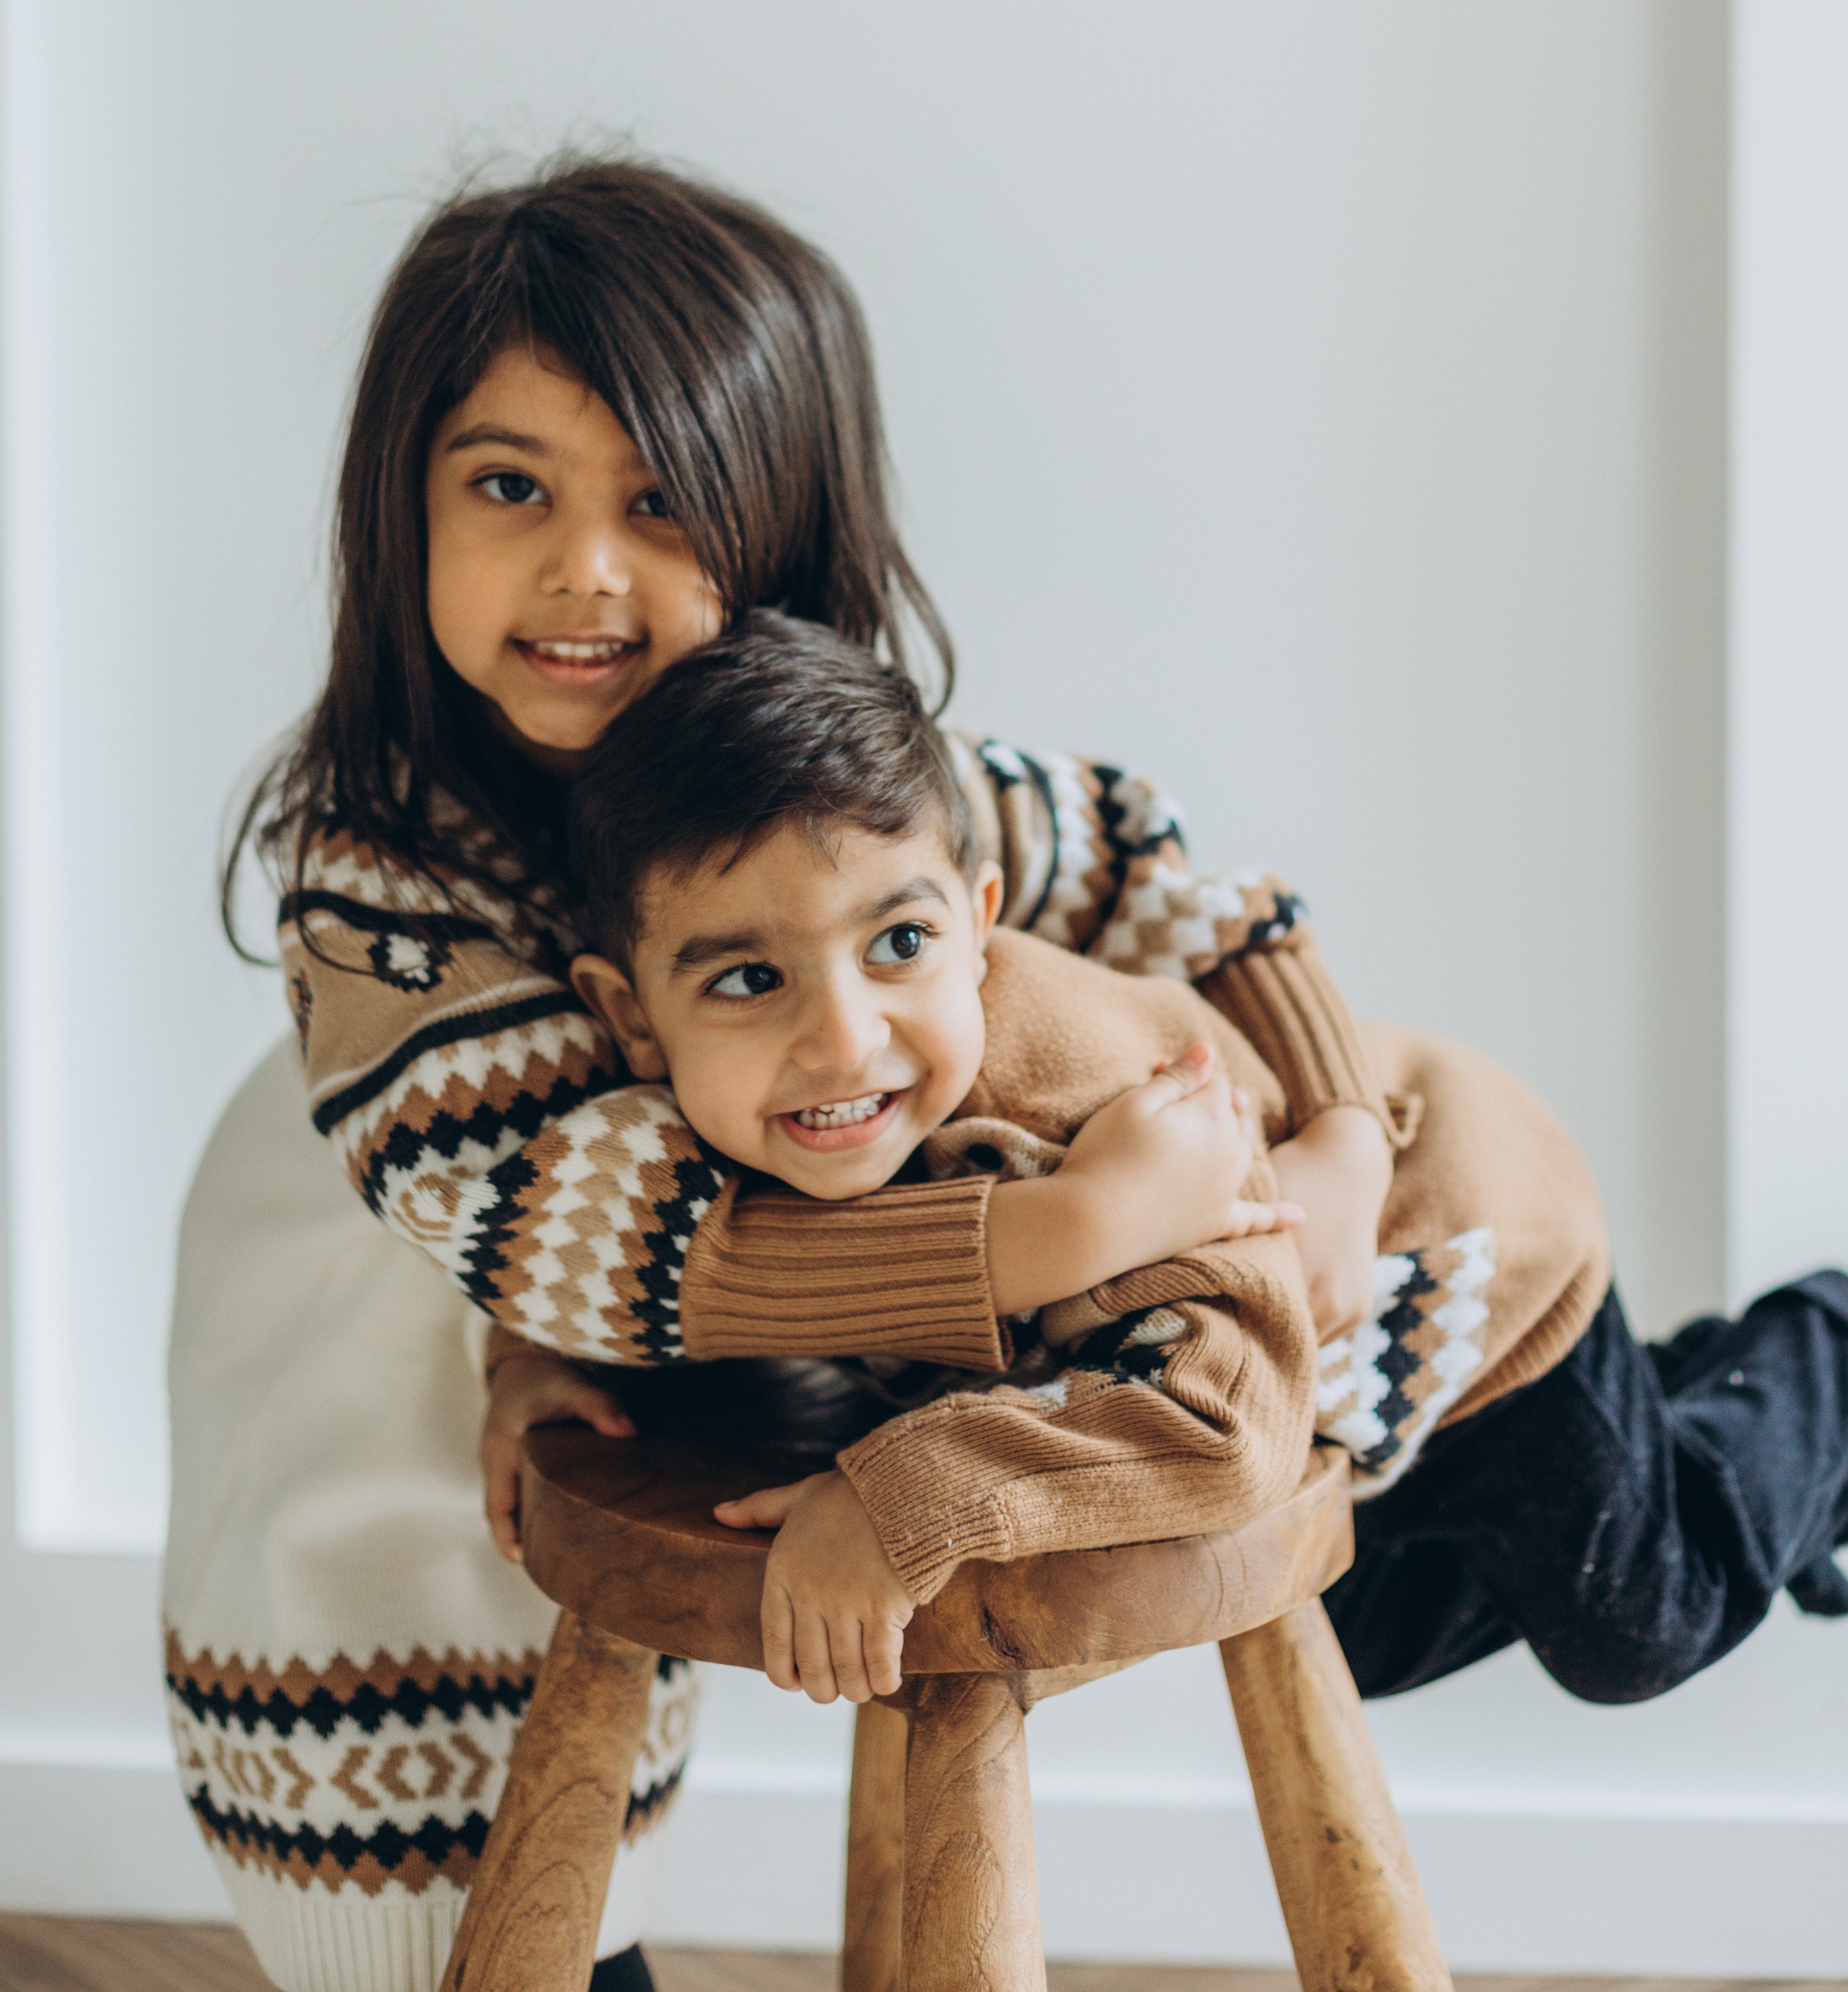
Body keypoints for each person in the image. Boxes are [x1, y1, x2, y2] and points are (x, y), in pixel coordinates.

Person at [165, 154, 1395, 1992]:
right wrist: (1056, 1231)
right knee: (392, 1663)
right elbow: (612, 1237)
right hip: (389, 1277)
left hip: (676, 1310)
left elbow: (1174, 878)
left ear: (779, 527)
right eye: (510, 487)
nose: (586, 569)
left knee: (1409, 1439)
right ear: (399, 511)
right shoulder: (383, 890)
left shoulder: (828, 790)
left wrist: (1348, 1136)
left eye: (664, 506)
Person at [505, 609, 1848, 1721]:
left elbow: (1222, 1425)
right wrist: (536, 1358)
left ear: (977, 925)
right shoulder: (672, 1151)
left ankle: (1822, 1355)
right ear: (630, 1018)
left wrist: (905, 1491)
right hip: (1304, 1366)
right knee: (1356, 1637)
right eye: (748, 979)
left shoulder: (1067, 1111)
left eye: (898, 947)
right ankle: (1677, 1415)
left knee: (1638, 1617)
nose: (842, 1041)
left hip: (1458, 1254)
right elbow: (673, 1285)